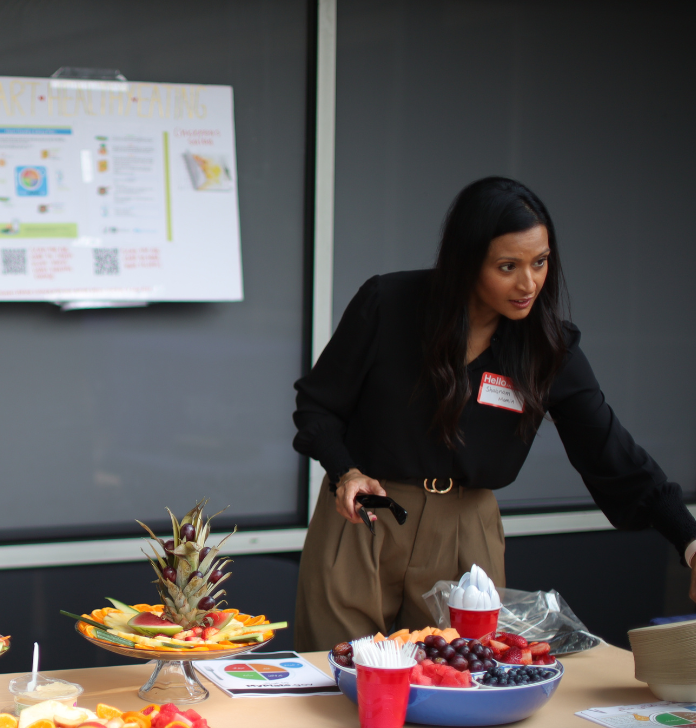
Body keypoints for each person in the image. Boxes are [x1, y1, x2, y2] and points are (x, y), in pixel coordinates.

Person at [292, 176, 696, 652]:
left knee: (458, 681)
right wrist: (346, 472)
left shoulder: (549, 348)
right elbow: (318, 405)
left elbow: (610, 451)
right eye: (508, 266)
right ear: (466, 263)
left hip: (468, 532)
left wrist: (689, 540)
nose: (529, 283)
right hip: (367, 516)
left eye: (540, 263)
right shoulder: (389, 304)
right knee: (335, 679)